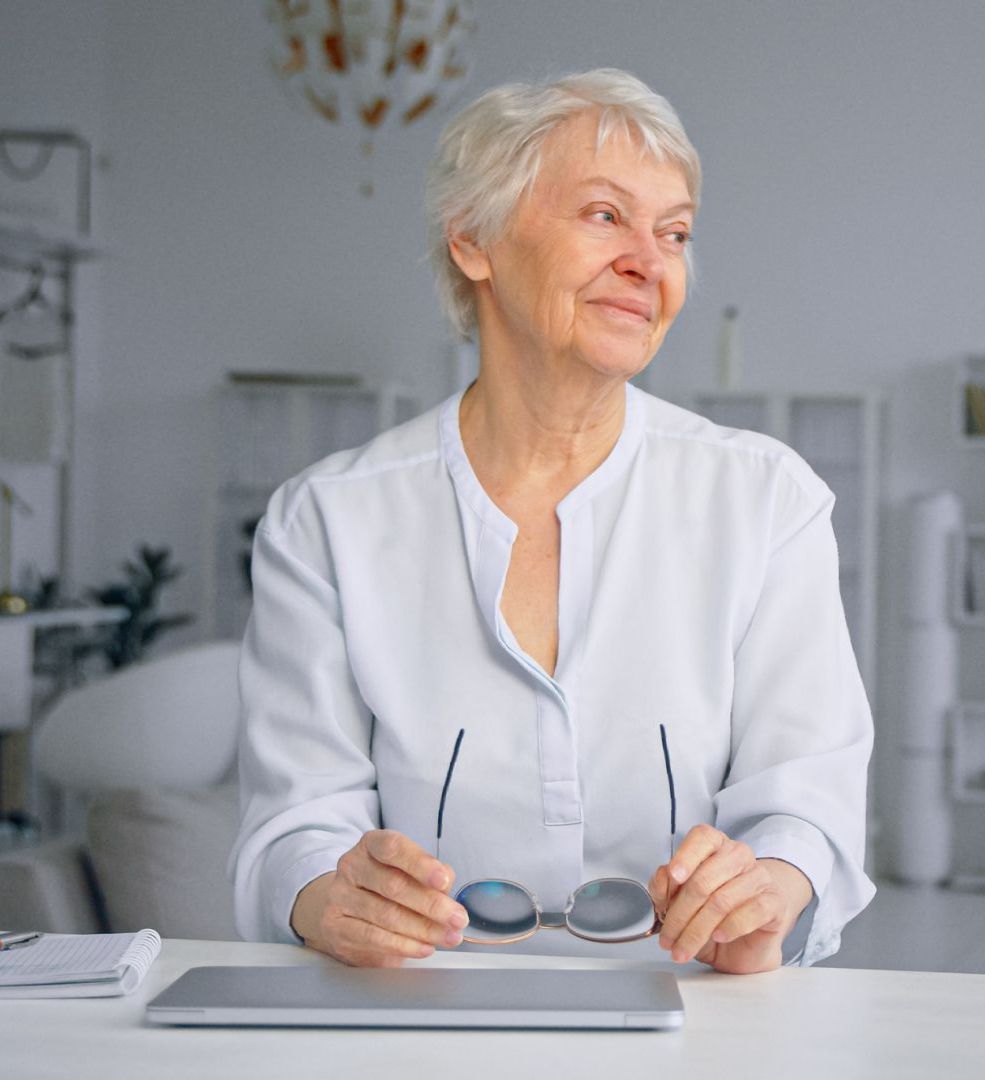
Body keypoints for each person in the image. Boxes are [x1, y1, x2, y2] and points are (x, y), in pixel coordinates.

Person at [230, 68, 875, 974]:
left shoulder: (767, 499)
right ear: (473, 239)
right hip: (414, 1022)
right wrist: (327, 893)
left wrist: (770, 885)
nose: (649, 263)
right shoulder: (326, 521)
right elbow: (292, 825)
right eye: (605, 216)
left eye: (675, 232)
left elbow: (811, 802)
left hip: (696, 1017)